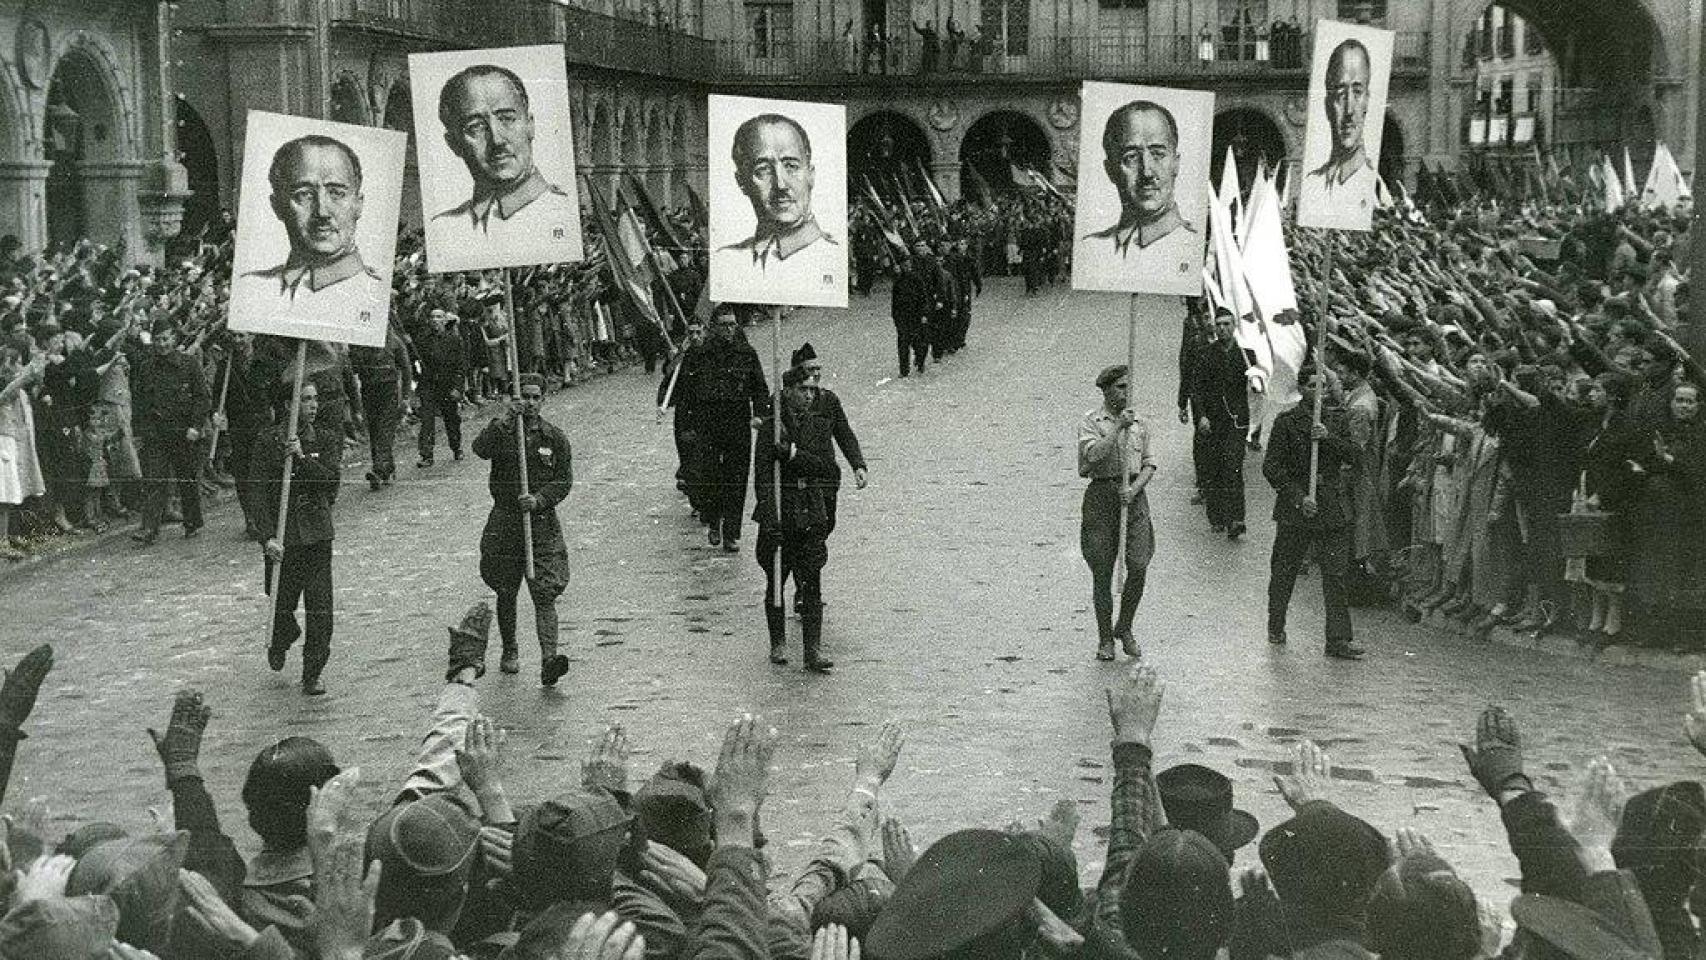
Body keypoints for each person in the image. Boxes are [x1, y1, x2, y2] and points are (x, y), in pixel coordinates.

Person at [473, 372, 574, 686]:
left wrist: (540, 499)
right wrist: (505, 418)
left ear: (543, 400)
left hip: (541, 523)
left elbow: (563, 480)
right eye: (524, 397)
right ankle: (510, 649)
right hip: (506, 521)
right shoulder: (503, 431)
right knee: (506, 589)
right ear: (513, 398)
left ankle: (549, 659)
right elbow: (480, 448)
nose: (529, 403)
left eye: (535, 397)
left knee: (544, 592)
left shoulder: (553, 438)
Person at [230, 135, 386, 335]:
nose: (322, 212)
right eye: (304, 194)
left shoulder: (377, 298)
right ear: (277, 206)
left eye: (336, 193)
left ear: (358, 204)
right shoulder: (249, 291)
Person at [1263, 365, 1365, 659]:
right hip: (1297, 509)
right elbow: (1271, 466)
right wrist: (1297, 497)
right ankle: (1276, 623)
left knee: (1335, 575)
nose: (1317, 392)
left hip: (1330, 506)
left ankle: (1338, 640)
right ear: (1301, 389)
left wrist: (1328, 437)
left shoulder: (1337, 420)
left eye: (1322, 385)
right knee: (1285, 571)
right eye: (1311, 385)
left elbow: (1355, 455)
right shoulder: (1287, 423)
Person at [429, 64, 577, 258]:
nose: (497, 140)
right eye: (476, 127)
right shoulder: (442, 230)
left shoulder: (567, 215)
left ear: (530, 125)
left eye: (507, 119)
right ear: (454, 144)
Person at [251, 382, 340, 695]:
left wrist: (301, 458)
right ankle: (281, 637)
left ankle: (312, 672)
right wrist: (266, 537)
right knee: (279, 604)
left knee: (320, 610)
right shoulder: (267, 441)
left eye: (315, 399)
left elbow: (331, 483)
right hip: (283, 539)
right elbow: (257, 492)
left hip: (316, 536)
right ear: (289, 405)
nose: (313, 405)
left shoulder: (325, 438)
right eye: (305, 399)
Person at [754, 365, 838, 672]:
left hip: (810, 512)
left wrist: (792, 457)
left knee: (812, 582)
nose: (809, 394)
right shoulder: (772, 428)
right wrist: (769, 519)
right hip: (781, 513)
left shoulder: (817, 425)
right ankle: (778, 642)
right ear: (787, 391)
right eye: (803, 389)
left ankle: (812, 651)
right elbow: (763, 477)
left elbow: (828, 468)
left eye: (813, 389)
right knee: (776, 579)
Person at [675, 303, 771, 552]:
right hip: (707, 423)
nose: (728, 330)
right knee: (709, 476)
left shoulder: (747, 354)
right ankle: (714, 520)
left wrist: (760, 415)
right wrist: (686, 426)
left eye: (732, 325)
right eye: (723, 325)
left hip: (738, 421)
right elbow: (685, 392)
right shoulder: (699, 354)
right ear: (713, 328)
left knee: (736, 479)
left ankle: (731, 532)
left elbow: (760, 388)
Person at [1078, 364, 1157, 661]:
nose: (1127, 393)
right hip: (1101, 496)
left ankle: (1123, 627)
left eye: (1129, 387)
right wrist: (1118, 428)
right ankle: (1104, 639)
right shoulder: (1091, 422)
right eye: (1121, 387)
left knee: (1138, 564)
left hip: (1134, 498)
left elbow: (1149, 463)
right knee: (1102, 569)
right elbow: (1093, 456)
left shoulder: (1141, 423)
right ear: (1107, 390)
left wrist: (1134, 489)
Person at [711, 115, 841, 295]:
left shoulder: (834, 256)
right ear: (741, 182)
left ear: (811, 175)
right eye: (763, 170)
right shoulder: (727, 260)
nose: (780, 184)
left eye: (791, 166)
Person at [1080, 101, 1200, 282]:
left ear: (1176, 163)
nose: (1147, 172)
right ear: (1110, 170)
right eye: (1131, 157)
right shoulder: (1089, 248)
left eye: (1158, 154)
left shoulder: (1195, 247)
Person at [131, 323, 210, 546]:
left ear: (174, 338)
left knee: (186, 478)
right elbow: (140, 401)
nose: (162, 344)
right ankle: (149, 528)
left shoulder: (188, 364)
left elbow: (201, 397)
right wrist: (140, 431)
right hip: (156, 433)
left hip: (183, 432)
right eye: (158, 340)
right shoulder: (147, 367)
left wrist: (196, 425)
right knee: (155, 480)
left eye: (166, 339)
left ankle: (193, 521)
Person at [1299, 39, 1380, 227]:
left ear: (1367, 101)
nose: (1349, 109)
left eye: (1357, 92)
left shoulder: (1371, 183)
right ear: (1328, 105)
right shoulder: (1313, 182)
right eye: (1340, 94)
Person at [1190, 311, 1251, 539]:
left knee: (1233, 465)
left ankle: (1236, 518)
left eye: (1226, 324)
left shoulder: (1246, 355)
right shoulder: (1205, 354)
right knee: (1213, 467)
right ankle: (1216, 515)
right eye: (1218, 325)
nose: (1222, 328)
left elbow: (1258, 386)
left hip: (1236, 421)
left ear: (1234, 325)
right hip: (1213, 421)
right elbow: (1196, 390)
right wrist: (1202, 416)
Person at [350, 322, 412, 491]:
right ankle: (387, 468)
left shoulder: (394, 341)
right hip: (369, 389)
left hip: (389, 389)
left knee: (385, 429)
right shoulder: (364, 341)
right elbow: (354, 367)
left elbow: (406, 369)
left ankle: (377, 470)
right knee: (375, 429)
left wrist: (406, 397)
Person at [414, 306, 465, 468]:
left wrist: (458, 388)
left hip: (447, 385)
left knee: (451, 418)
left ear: (445, 320)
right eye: (433, 317)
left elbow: (461, 366)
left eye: (439, 317)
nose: (435, 320)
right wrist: (419, 380)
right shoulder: (423, 340)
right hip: (428, 385)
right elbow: (416, 362)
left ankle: (456, 447)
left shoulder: (454, 340)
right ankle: (426, 454)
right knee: (427, 420)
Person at [891, 241, 940, 377]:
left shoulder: (917, 280)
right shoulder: (898, 281)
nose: (906, 267)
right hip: (902, 317)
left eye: (908, 265)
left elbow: (923, 298)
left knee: (919, 343)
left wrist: (924, 314)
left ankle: (920, 361)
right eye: (904, 266)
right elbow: (894, 301)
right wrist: (895, 316)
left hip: (917, 316)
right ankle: (904, 370)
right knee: (903, 345)